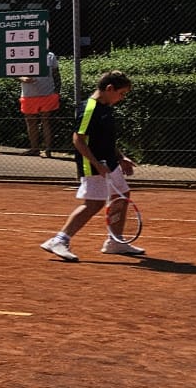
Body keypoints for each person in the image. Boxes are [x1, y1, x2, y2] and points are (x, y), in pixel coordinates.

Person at [41, 71, 143, 261]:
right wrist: (97, 164)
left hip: (109, 162)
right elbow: (78, 140)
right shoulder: (89, 108)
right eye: (121, 94)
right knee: (93, 203)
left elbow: (105, 140)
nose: (122, 98)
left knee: (121, 195)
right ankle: (59, 240)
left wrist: (121, 157)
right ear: (109, 89)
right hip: (94, 164)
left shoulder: (106, 107)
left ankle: (115, 241)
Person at [20, 54, 61, 157]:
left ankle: (48, 149)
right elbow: (13, 72)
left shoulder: (50, 55)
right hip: (28, 94)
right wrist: (22, 78)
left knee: (46, 121)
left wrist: (57, 90)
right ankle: (34, 149)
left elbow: (56, 73)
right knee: (30, 121)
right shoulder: (21, 53)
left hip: (47, 93)